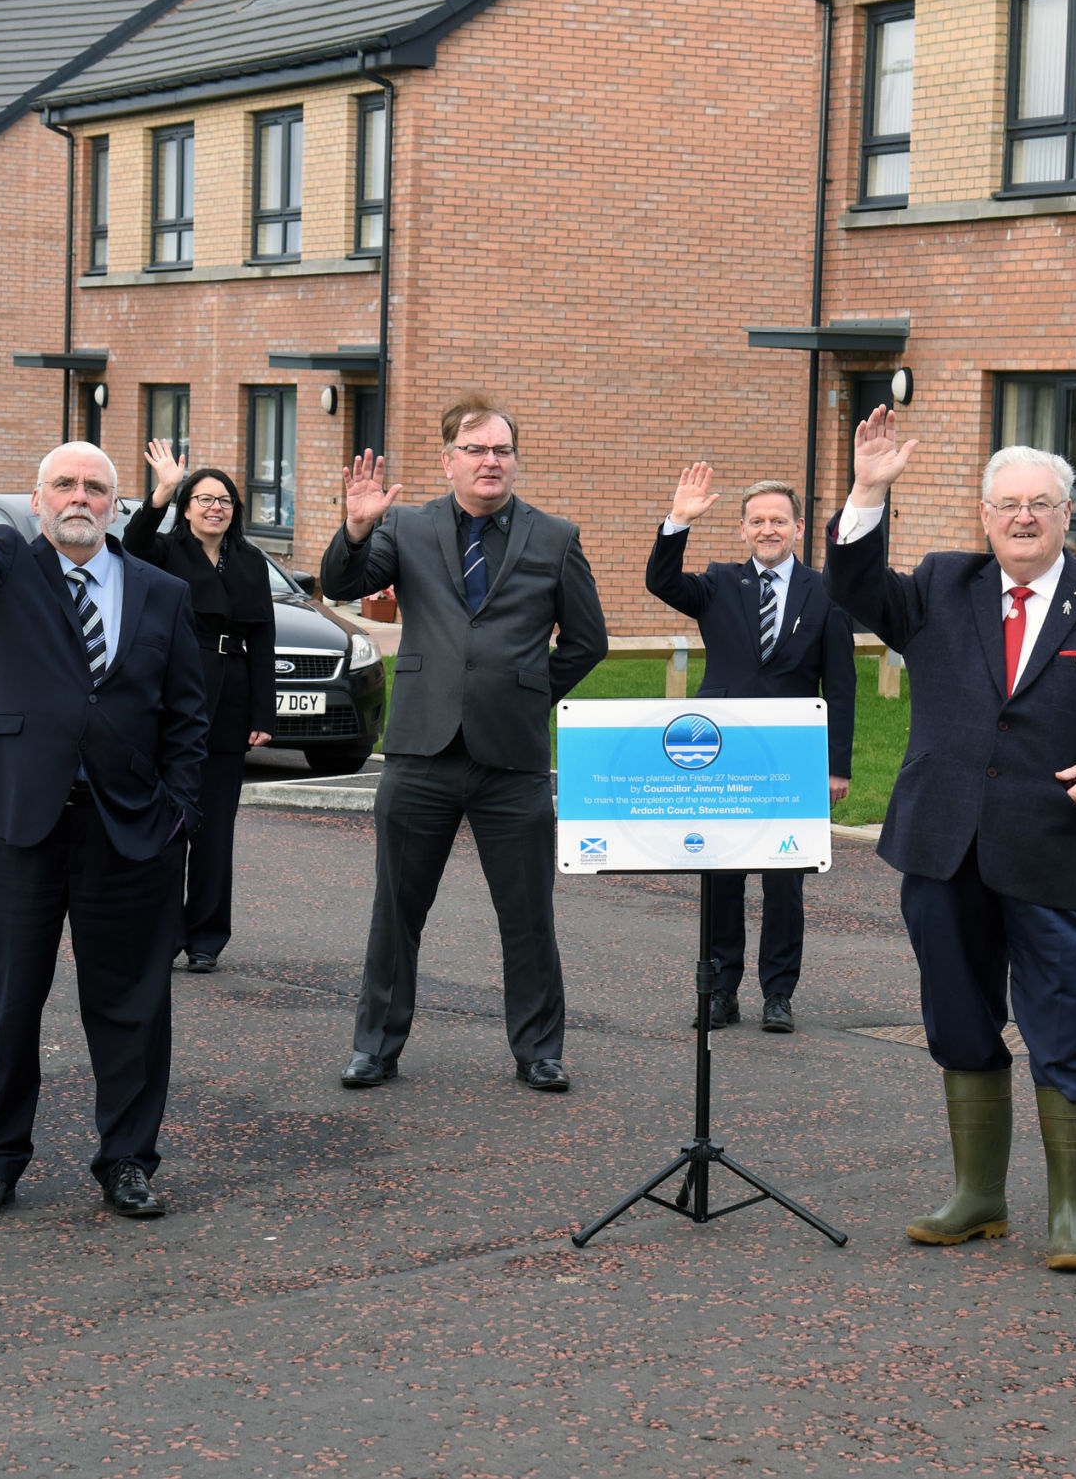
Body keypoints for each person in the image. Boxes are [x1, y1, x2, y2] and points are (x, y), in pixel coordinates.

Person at [825, 406, 1076, 1273]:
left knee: (1060, 1023)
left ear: (1068, 515)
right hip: (943, 846)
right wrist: (867, 490)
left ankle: (1069, 1215)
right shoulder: (941, 584)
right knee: (957, 1018)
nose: (1024, 517)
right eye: (1008, 504)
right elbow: (854, 588)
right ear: (985, 517)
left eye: (1040, 503)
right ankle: (978, 1196)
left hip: (1053, 846)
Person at [0, 378, 209, 1223]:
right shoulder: (1, 569)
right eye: (64, 485)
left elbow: (188, 716)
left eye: (95, 487)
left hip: (131, 831)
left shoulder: (161, 592)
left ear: (116, 504)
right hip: (14, 821)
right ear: (38, 502)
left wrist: (178, 812)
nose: (80, 498)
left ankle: (128, 1160)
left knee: (133, 1005)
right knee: (6, 1000)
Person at [321, 395, 608, 1093]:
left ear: (514, 460)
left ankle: (539, 1049)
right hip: (422, 751)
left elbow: (588, 640)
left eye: (501, 450)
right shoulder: (407, 526)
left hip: (511, 759)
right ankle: (375, 1047)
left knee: (528, 915)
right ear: (449, 460)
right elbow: (342, 583)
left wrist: (527, 691)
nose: (490, 461)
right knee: (397, 910)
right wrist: (355, 529)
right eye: (475, 449)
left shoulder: (555, 537)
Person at [646, 465, 857, 1032]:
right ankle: (721, 990)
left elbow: (840, 686)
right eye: (758, 521)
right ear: (742, 529)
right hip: (721, 752)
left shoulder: (826, 593)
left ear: (798, 528)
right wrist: (678, 521)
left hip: (791, 756)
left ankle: (778, 994)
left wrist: (836, 766)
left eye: (779, 521)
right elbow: (662, 583)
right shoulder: (718, 583)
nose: (768, 530)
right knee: (722, 877)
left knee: (785, 881)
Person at [126, 441, 278, 973]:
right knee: (168, 823)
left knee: (215, 830)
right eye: (205, 499)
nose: (216, 508)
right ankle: (162, 932)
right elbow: (132, 544)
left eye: (226, 501)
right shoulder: (165, 551)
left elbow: (263, 638)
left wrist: (263, 713)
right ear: (186, 507)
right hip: (171, 696)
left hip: (231, 699)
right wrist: (161, 492)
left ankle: (207, 937)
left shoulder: (251, 561)